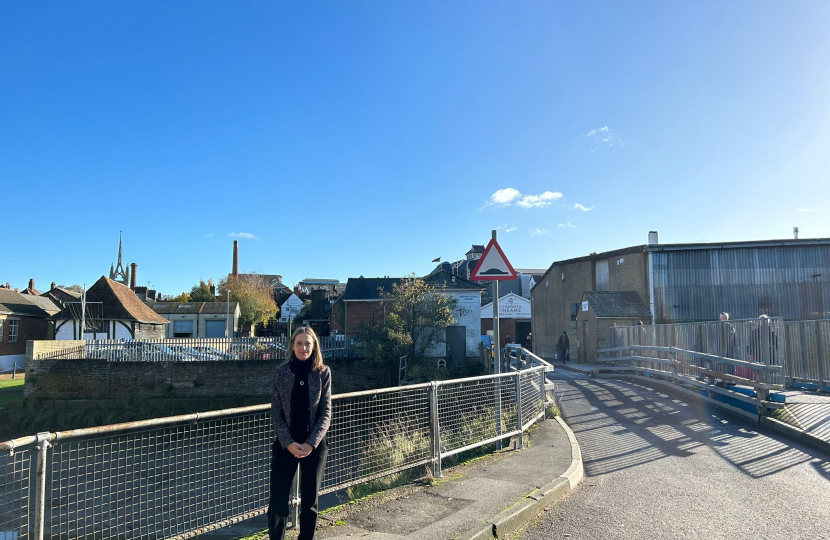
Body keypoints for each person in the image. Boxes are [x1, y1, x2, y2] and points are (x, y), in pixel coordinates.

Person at [268, 326, 332, 540]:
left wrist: (310, 443)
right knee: (277, 501)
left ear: (314, 347)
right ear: (292, 346)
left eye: (307, 343)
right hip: (285, 445)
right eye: (299, 343)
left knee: (310, 502)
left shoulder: (323, 373)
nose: (303, 347)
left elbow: (326, 413)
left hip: (314, 446)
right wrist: (288, 443)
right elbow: (276, 412)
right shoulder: (281, 372)